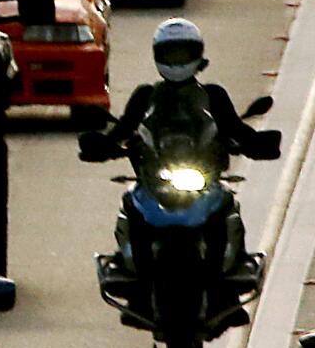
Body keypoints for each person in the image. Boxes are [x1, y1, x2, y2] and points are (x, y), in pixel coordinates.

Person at [82, 19, 280, 309]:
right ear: (158, 56)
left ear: (198, 55)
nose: (177, 62)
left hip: (203, 179)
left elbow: (237, 128)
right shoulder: (145, 96)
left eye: (183, 54)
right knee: (131, 206)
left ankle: (227, 281)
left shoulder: (214, 95)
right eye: (171, 54)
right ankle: (135, 281)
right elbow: (122, 130)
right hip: (154, 180)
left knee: (226, 204)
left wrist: (258, 144)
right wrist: (102, 146)